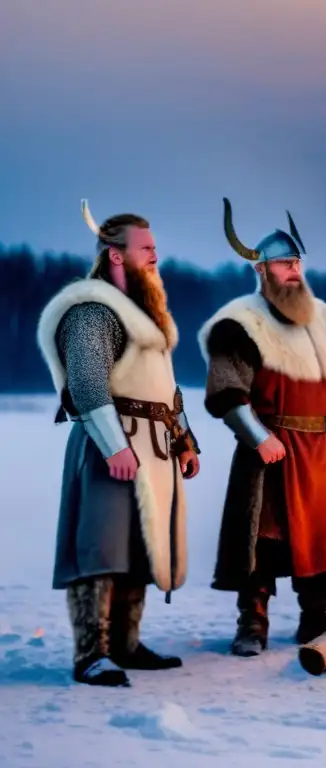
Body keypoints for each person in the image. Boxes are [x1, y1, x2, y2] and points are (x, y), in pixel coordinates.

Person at [36, 200, 199, 686]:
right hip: (110, 443)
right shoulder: (92, 310)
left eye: (154, 246)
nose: (154, 255)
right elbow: (87, 385)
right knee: (99, 550)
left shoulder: (145, 313)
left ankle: (126, 645)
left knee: (139, 546)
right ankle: (92, 654)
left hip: (154, 445)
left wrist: (186, 440)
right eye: (144, 248)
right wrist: (115, 447)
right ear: (114, 255)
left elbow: (165, 388)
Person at [199, 199, 326, 656]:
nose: (294, 271)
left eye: (296, 262)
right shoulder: (240, 326)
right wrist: (259, 437)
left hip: (317, 449)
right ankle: (252, 622)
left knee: (316, 535)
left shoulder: (325, 324)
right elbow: (227, 393)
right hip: (268, 447)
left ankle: (316, 614)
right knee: (263, 536)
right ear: (261, 271)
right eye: (283, 264)